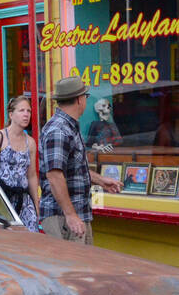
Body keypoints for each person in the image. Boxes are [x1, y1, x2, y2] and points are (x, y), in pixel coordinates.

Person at [38, 75, 122, 243]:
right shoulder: (59, 130)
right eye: (85, 96)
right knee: (69, 268)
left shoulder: (68, 127)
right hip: (63, 219)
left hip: (75, 216)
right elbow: (54, 176)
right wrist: (71, 215)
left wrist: (101, 180)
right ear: (79, 100)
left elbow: (74, 169)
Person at [0, 95, 40, 230]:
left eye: (28, 111)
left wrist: (36, 203)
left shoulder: (30, 142)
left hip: (24, 201)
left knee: (30, 237)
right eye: (22, 110)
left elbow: (31, 175)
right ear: (11, 114)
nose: (26, 115)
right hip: (2, 200)